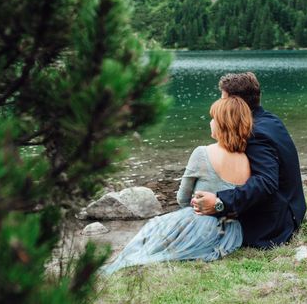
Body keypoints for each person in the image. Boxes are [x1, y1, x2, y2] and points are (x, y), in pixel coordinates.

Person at [101, 96, 253, 274]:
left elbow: (182, 198)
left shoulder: (202, 153)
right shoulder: (247, 160)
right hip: (231, 232)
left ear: (222, 123)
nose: (210, 122)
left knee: (153, 228)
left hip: (203, 225)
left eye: (213, 118)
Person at [193, 72, 307, 249]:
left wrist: (219, 202)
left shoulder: (254, 133)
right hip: (292, 209)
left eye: (223, 98)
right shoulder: (270, 120)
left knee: (202, 222)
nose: (220, 103)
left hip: (275, 226)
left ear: (235, 102)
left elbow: (266, 182)